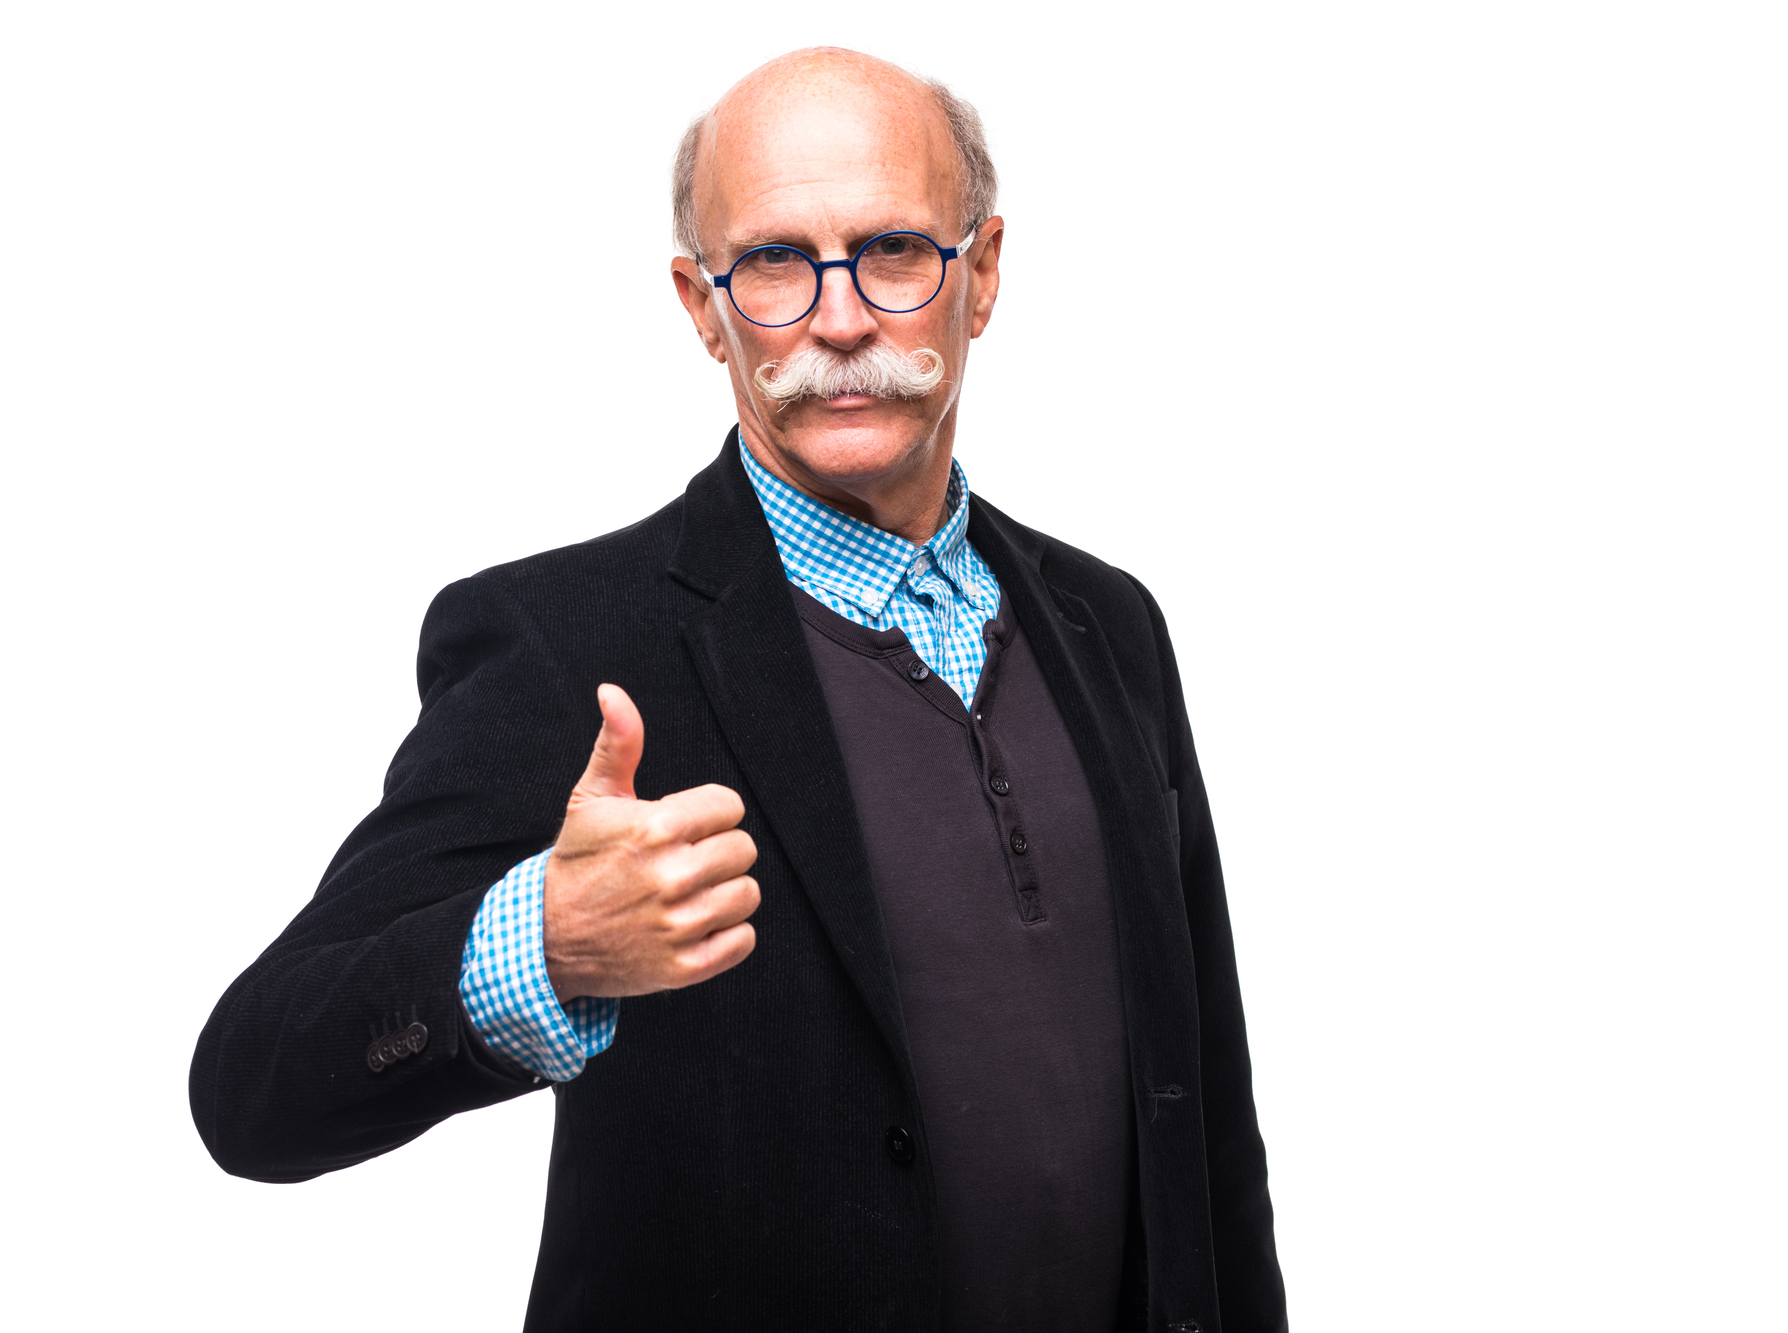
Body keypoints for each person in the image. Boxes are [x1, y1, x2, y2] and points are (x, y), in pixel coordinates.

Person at [191, 47, 1287, 1333]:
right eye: (771, 262)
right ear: (701, 307)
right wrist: (540, 946)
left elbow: (1205, 1121)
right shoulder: (565, 642)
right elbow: (254, 1085)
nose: (839, 320)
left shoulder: (1112, 623)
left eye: (892, 250)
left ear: (981, 273)